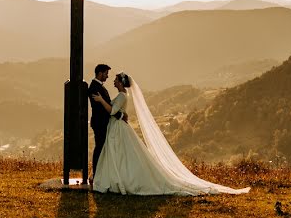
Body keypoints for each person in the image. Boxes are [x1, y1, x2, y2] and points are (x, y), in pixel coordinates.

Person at [91, 72, 250, 196]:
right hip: (117, 126)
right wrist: (120, 114)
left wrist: (100, 101)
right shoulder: (122, 95)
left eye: (116, 79)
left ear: (120, 82)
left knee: (120, 155)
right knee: (120, 155)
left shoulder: (121, 95)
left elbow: (112, 110)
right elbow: (117, 111)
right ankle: (117, 178)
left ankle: (119, 179)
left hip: (118, 129)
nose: (113, 81)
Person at [87, 64, 126, 183]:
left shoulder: (99, 87)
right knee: (99, 147)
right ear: (100, 73)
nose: (107, 76)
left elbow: (109, 105)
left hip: (103, 123)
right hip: (100, 123)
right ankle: (96, 174)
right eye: (106, 73)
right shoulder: (94, 87)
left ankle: (100, 173)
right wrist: (120, 115)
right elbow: (104, 108)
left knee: (102, 147)